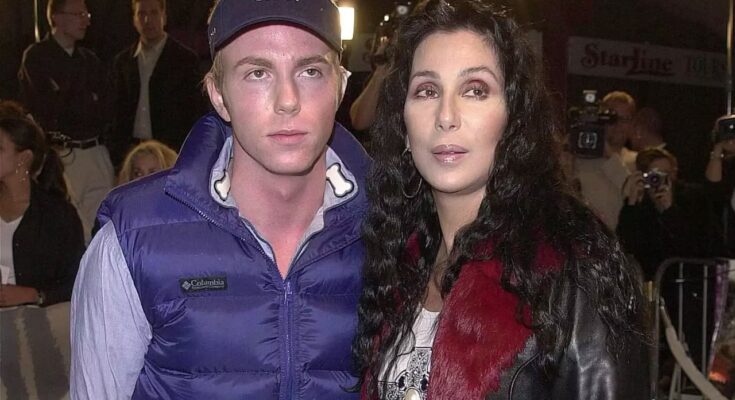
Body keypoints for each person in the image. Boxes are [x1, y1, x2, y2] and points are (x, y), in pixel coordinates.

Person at [70, 0, 368, 398]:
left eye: (310, 71)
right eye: (258, 73)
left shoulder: (394, 228)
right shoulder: (132, 241)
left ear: (341, 87)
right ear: (218, 94)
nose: (288, 99)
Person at [352, 1, 649, 399]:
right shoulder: (397, 264)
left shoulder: (574, 268)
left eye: (475, 90)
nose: (446, 116)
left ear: (512, 119)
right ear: (404, 128)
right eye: (427, 91)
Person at [17, 0, 113, 242]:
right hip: (63, 154)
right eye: (78, 14)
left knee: (103, 225)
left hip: (96, 151)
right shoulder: (37, 57)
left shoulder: (90, 60)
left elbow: (104, 108)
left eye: (86, 14)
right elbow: (47, 109)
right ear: (56, 18)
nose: (85, 21)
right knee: (71, 229)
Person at [0, 101, 84, 308]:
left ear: (23, 158)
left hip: (37, 320)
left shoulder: (57, 216)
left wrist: (34, 294)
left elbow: (78, 280)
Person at [109, 0, 205, 168]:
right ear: (134, 19)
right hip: (131, 153)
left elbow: (196, 112)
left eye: (154, 13)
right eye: (142, 14)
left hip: (170, 153)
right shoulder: (123, 62)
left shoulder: (185, 60)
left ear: (164, 17)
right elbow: (115, 113)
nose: (147, 20)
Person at [618, 148, 710, 280]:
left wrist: (670, 210)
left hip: (685, 279)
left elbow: (694, 247)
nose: (660, 180)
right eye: (654, 175)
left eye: (666, 173)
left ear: (675, 174)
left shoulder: (693, 200)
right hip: (648, 280)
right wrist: (631, 203)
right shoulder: (639, 206)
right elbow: (626, 246)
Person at [574, 91, 637, 230]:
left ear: (632, 124)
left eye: (624, 119)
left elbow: (634, 195)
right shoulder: (580, 159)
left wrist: (610, 156)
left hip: (619, 239)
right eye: (612, 118)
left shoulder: (637, 161)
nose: (617, 124)